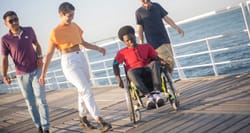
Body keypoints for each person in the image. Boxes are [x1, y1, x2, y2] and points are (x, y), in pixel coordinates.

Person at [39, 2, 112, 132]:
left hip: (81, 58)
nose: (72, 18)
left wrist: (98, 48)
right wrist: (43, 74)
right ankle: (99, 120)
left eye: (73, 15)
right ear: (61, 14)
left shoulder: (75, 26)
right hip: (69, 62)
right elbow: (49, 54)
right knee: (86, 89)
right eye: (69, 15)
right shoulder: (55, 32)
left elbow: (82, 42)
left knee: (82, 90)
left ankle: (82, 118)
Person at [1, 11, 50, 133]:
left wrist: (39, 57)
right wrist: (5, 74)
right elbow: (4, 59)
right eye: (11, 21)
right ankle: (38, 126)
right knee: (31, 103)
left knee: (42, 100)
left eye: (16, 19)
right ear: (6, 24)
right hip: (21, 75)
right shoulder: (5, 39)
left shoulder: (29, 30)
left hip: (36, 70)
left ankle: (46, 128)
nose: (15, 22)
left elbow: (37, 45)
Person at [113, 25, 165, 109]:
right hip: (135, 72)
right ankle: (149, 97)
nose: (130, 41)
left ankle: (157, 94)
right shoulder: (121, 53)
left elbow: (155, 57)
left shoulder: (146, 46)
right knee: (130, 72)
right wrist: (118, 79)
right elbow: (115, 64)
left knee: (155, 63)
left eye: (131, 38)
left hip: (148, 68)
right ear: (124, 42)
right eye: (127, 41)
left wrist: (161, 61)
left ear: (134, 36)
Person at [136, 0, 184, 74]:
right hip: (154, 42)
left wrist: (177, 28)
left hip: (165, 39)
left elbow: (166, 18)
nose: (145, 1)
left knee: (167, 62)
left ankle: (165, 80)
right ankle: (167, 81)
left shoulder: (157, 6)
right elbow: (140, 28)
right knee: (169, 60)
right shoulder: (139, 12)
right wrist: (141, 42)